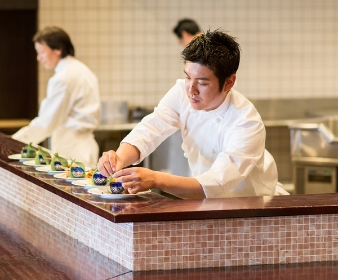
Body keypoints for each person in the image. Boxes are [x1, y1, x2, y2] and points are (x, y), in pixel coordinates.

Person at [98, 29, 287, 199]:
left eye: (203, 83)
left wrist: (155, 179)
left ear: (229, 83)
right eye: (188, 77)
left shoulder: (246, 122)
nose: (191, 90)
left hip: (253, 206)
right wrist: (119, 158)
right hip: (208, 203)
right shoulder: (181, 92)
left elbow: (216, 182)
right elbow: (153, 127)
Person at [12, 26, 101, 165]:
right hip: (85, 148)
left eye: (41, 52)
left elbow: (47, 122)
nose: (38, 57)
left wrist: (13, 143)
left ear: (58, 49)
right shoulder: (83, 70)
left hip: (71, 151)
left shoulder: (63, 78)